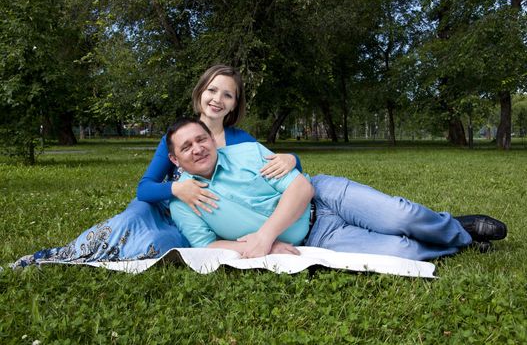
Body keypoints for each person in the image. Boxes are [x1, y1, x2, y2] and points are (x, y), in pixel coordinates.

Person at [13, 65, 301, 267]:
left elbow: (270, 166)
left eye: (228, 95)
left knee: (159, 246)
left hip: (197, 217)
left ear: (235, 104)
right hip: (161, 203)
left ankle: (103, 261)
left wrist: (293, 158)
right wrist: (178, 189)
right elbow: (145, 188)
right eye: (212, 90)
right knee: (127, 224)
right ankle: (55, 257)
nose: (218, 99)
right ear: (201, 92)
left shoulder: (240, 140)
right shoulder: (178, 135)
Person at [168, 118, 507, 261]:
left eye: (201, 139)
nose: (198, 148)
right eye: (187, 147)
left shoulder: (244, 153)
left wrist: (264, 237)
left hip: (325, 195)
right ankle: (460, 242)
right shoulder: (182, 203)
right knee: (401, 253)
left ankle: (458, 228)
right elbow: (208, 245)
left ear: (212, 139)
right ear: (175, 158)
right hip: (317, 237)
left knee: (402, 214)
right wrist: (270, 247)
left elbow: (300, 187)